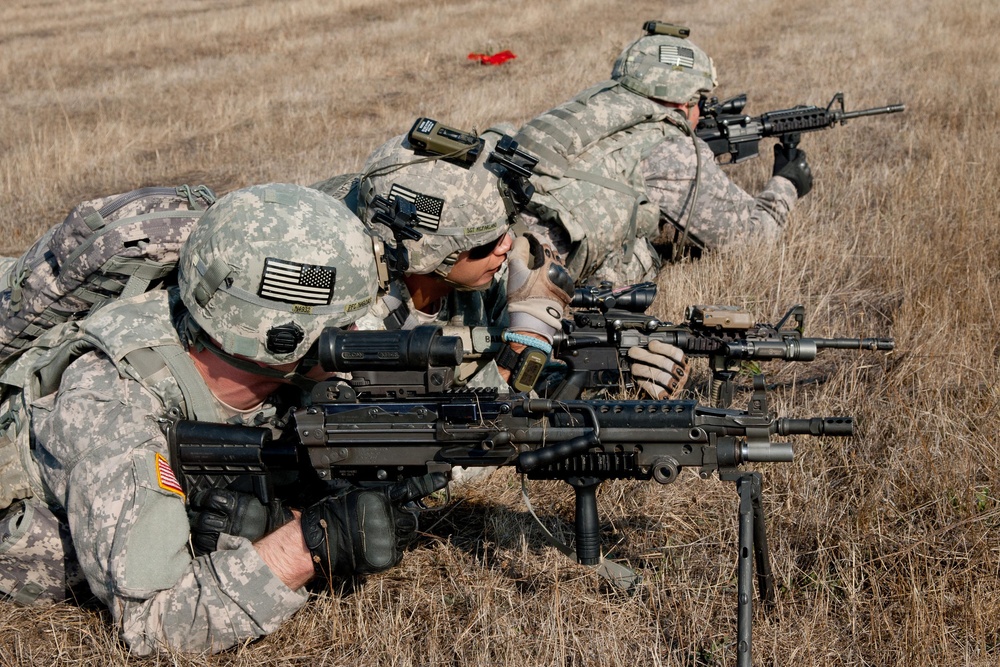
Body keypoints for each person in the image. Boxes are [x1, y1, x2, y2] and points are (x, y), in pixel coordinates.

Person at [0, 183, 445, 654]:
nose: (362, 332)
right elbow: (157, 623)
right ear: (279, 337)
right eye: (346, 323)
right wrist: (306, 543)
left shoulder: (246, 337)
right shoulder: (115, 409)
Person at [315, 123, 691, 401]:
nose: (506, 246)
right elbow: (433, 442)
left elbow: (510, 373)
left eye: (504, 230)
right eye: (484, 244)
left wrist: (610, 373)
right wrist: (520, 352)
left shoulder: (465, 280)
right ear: (427, 252)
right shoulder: (356, 319)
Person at [513, 21, 813, 286]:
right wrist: (786, 184)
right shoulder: (669, 149)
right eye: (700, 101)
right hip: (527, 275)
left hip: (502, 238)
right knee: (637, 255)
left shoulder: (594, 108)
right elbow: (751, 240)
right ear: (685, 101)